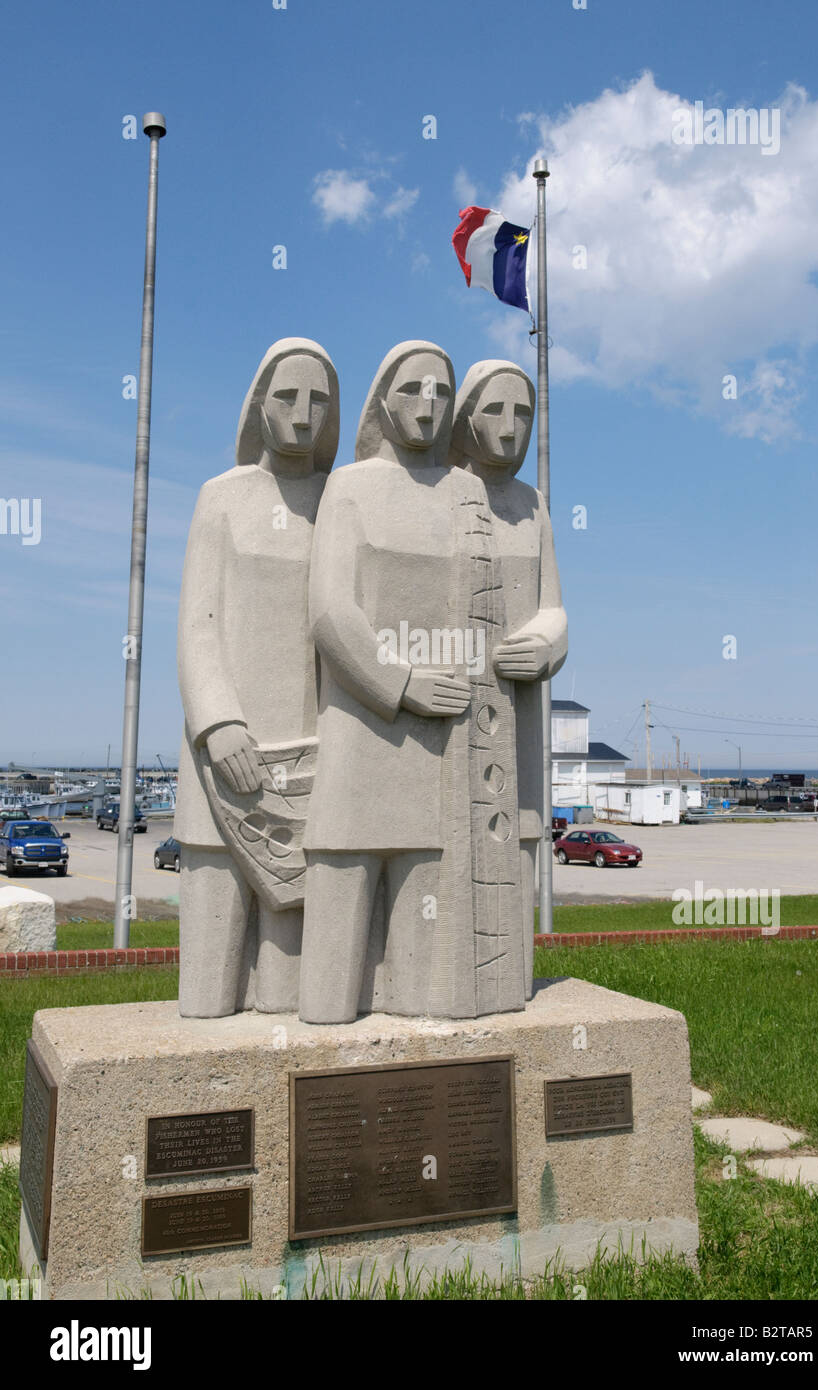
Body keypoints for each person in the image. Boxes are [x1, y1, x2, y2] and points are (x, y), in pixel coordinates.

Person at [298, 341, 475, 1023]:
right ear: (382, 401)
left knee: (428, 986)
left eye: (441, 392)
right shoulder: (350, 486)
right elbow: (330, 610)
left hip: (442, 749)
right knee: (330, 980)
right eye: (411, 390)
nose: (427, 405)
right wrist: (401, 682)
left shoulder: (466, 496)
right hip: (362, 731)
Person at [175, 339, 339, 1016]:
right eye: (286, 397)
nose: (301, 415)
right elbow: (197, 623)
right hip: (225, 755)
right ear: (258, 404)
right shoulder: (222, 497)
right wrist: (218, 723)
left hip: (313, 759)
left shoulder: (340, 502)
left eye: (318, 401)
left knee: (288, 983)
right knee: (210, 982)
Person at [448, 360, 568, 998]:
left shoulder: (533, 505)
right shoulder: (442, 491)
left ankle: (508, 985)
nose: (510, 425)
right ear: (465, 418)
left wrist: (546, 644)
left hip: (515, 722)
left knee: (518, 833)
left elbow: (556, 608)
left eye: (522, 413)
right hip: (447, 716)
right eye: (495, 410)